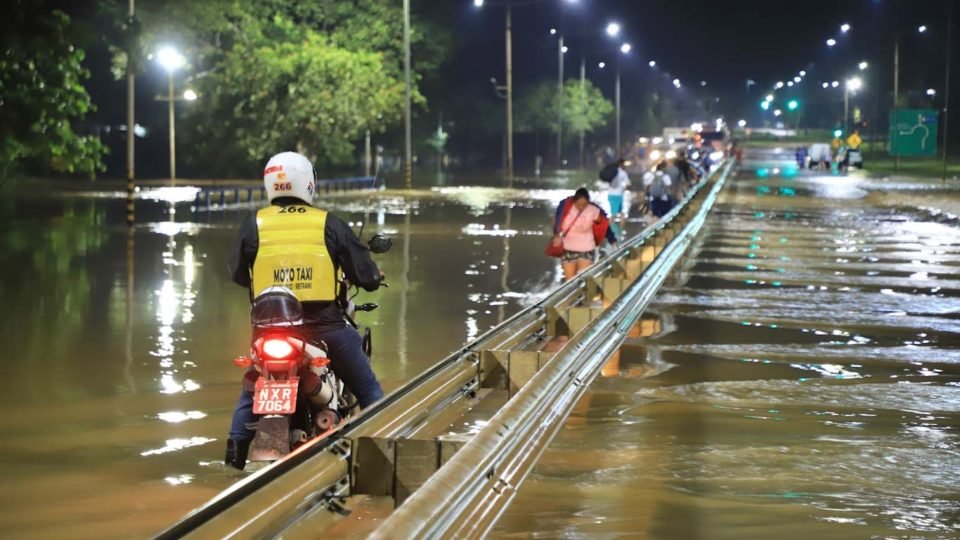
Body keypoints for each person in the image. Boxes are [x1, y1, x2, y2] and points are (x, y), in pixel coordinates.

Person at [224, 151, 385, 470]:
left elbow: (238, 274)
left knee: (251, 389)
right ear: (309, 183)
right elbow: (364, 276)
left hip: (270, 334)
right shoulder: (329, 224)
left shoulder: (254, 224)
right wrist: (373, 277)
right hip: (326, 328)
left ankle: (232, 459)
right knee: (368, 387)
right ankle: (383, 454)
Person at [551, 188, 617, 281]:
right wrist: (556, 235)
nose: (581, 208)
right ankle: (573, 295)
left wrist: (612, 240)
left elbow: (604, 226)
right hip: (568, 249)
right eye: (579, 205)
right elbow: (557, 221)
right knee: (569, 280)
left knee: (584, 279)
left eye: (584, 205)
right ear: (574, 201)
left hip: (586, 249)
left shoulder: (594, 210)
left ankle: (583, 294)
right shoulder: (565, 207)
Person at [608, 159, 631, 238]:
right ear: (622, 164)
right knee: (616, 215)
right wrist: (623, 189)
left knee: (618, 213)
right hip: (618, 196)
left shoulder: (611, 172)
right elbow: (628, 184)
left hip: (611, 195)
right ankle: (616, 232)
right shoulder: (623, 173)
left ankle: (617, 232)